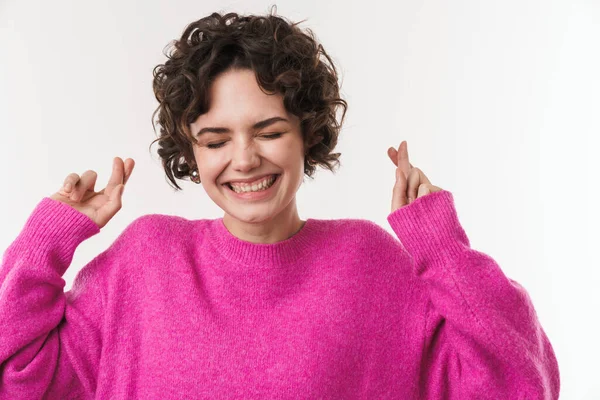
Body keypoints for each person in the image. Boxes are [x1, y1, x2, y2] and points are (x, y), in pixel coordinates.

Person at [0, 10, 560, 400]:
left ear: (306, 133)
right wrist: (47, 240)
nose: (243, 160)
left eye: (268, 131)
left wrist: (443, 249)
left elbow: (520, 384)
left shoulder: (370, 263)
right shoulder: (145, 260)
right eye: (216, 141)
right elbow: (13, 375)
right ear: (190, 152)